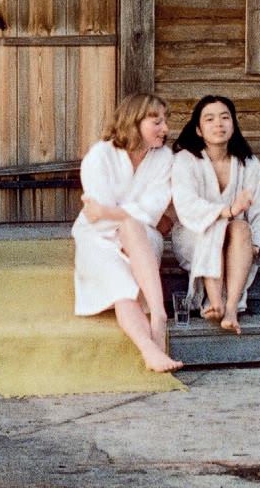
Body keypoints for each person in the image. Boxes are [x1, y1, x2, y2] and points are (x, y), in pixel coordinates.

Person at [72, 91, 182, 373]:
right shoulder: (100, 155)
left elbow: (152, 210)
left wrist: (110, 212)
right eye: (156, 122)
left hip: (143, 238)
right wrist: (113, 214)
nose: (165, 128)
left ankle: (158, 315)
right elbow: (97, 214)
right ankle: (151, 344)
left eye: (165, 121)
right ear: (134, 121)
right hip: (98, 237)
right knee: (123, 289)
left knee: (132, 226)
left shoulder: (164, 158)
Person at [169, 95, 260, 335]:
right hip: (193, 234)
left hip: (236, 242)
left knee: (242, 228)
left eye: (224, 117)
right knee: (215, 226)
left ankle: (230, 309)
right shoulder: (184, 160)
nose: (218, 124)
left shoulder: (248, 164)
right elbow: (187, 205)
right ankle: (214, 300)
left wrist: (257, 244)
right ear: (198, 129)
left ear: (233, 124)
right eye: (209, 119)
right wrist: (228, 211)